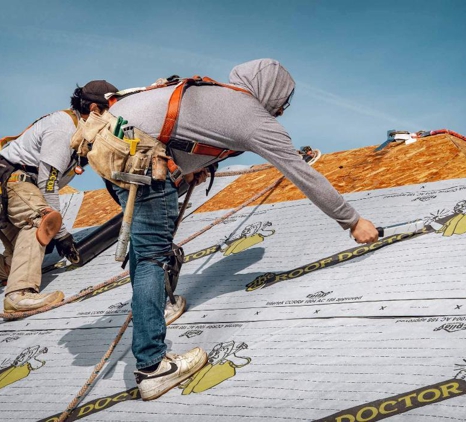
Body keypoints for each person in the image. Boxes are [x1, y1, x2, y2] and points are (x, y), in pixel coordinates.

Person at [96, 58, 379, 401]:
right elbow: (301, 172)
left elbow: (176, 129)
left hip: (108, 153)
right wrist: (352, 221)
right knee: (154, 257)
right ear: (270, 92)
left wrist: (188, 165)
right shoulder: (251, 116)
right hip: (142, 163)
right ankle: (153, 366)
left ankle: (156, 311)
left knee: (145, 251)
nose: (281, 111)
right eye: (282, 102)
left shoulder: (217, 94)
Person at [1, 80, 118, 313]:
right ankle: (18, 295)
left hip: (11, 188)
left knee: (23, 259)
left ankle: (8, 275)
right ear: (95, 109)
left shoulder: (83, 134)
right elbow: (47, 184)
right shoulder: (64, 129)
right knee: (41, 222)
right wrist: (61, 234)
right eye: (111, 111)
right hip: (12, 182)